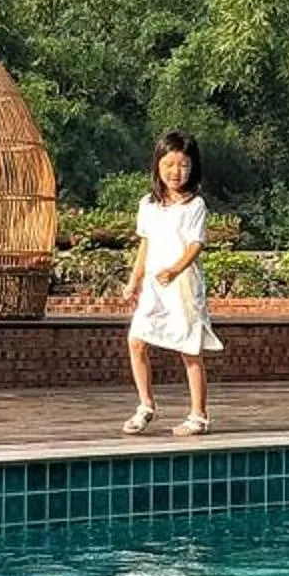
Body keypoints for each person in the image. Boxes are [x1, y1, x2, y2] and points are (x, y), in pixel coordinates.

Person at [123, 130, 223, 435]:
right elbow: (146, 244)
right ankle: (146, 405)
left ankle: (198, 416)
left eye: (183, 165)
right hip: (154, 286)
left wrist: (176, 270)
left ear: (193, 168)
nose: (176, 172)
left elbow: (195, 245)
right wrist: (134, 280)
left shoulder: (195, 206)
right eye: (169, 164)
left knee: (189, 350)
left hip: (182, 288)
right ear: (158, 165)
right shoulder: (148, 204)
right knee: (136, 340)